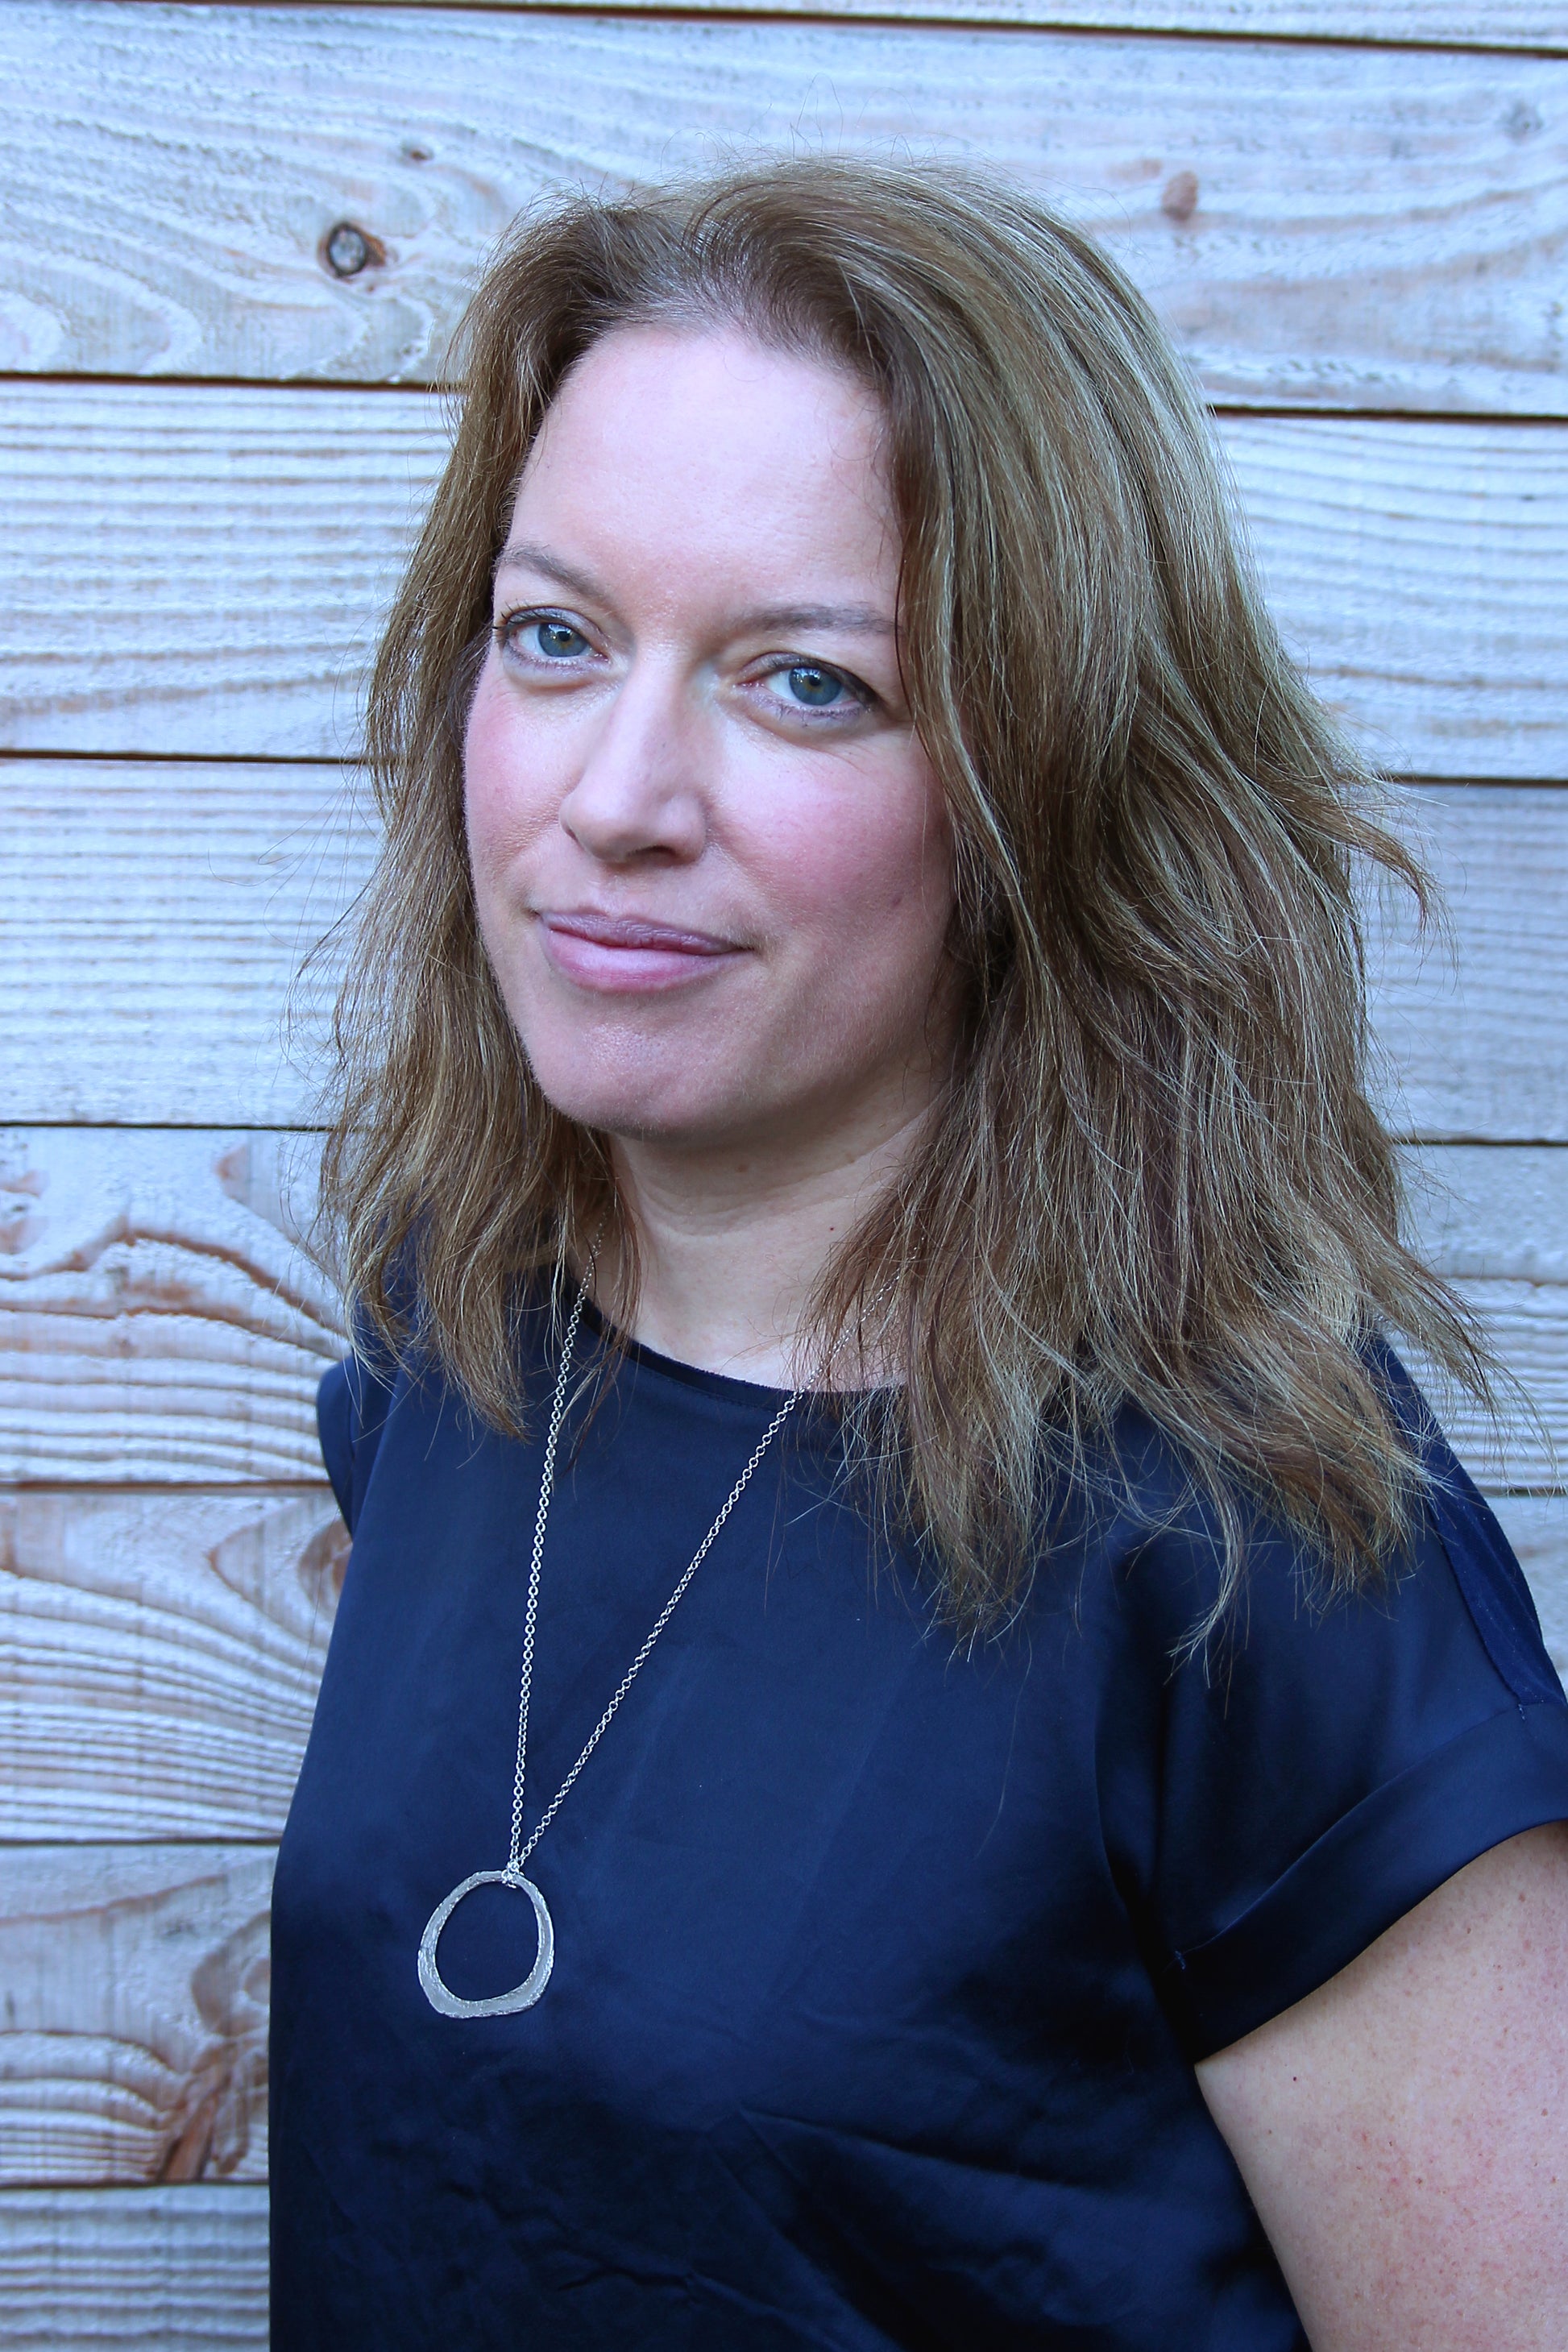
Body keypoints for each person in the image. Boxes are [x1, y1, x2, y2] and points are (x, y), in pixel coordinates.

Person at [269, 160, 1568, 2349]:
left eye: (802, 684)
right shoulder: (451, 1337)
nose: (615, 794)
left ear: (1045, 779)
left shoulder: (1261, 1545)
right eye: (556, 637)